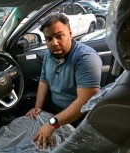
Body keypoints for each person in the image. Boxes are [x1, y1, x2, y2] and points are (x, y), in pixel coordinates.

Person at [25, 12, 102, 149]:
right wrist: (38, 107)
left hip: (78, 120)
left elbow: (84, 103)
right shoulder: (49, 55)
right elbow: (44, 81)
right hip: (54, 110)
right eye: (49, 39)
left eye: (59, 36)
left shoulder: (85, 58)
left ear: (70, 33)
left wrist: (52, 123)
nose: (54, 43)